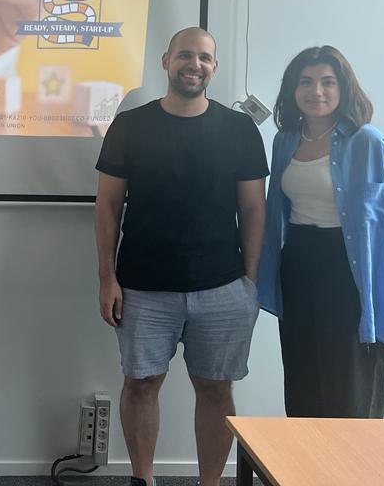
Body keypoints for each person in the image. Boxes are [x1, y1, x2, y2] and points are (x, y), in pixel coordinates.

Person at [94, 27, 268, 486]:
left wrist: (250, 281)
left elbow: (254, 208)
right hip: (142, 287)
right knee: (141, 384)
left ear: (215, 67)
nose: (195, 65)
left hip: (223, 287)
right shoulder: (130, 126)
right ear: (166, 61)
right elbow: (108, 205)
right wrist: (107, 277)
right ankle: (143, 479)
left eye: (204, 58)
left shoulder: (239, 130)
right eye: (185, 55)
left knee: (216, 390)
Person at [257, 46, 384, 418]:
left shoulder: (368, 141)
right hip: (298, 263)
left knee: (349, 383)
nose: (316, 91)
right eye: (306, 81)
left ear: (343, 89)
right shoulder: (285, 140)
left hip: (349, 270)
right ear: (293, 89)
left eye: (328, 82)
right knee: (302, 375)